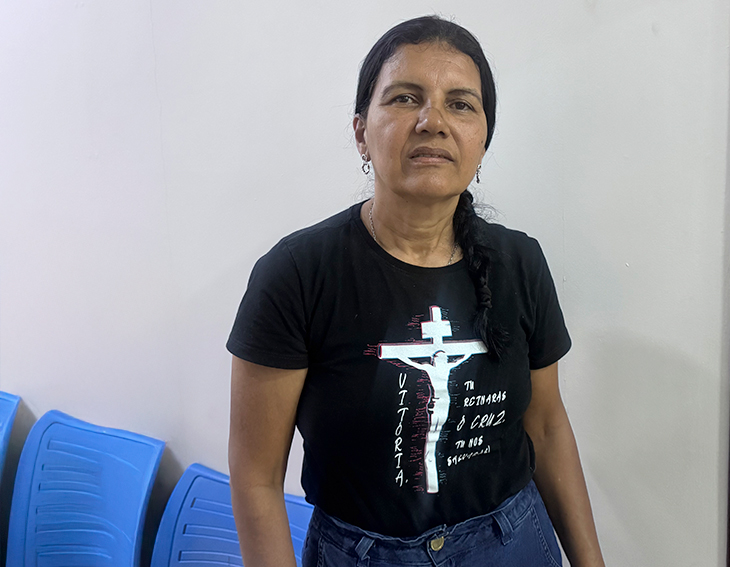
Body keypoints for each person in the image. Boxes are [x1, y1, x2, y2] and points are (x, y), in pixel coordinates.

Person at [226, 15, 606, 567]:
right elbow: (256, 478)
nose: (434, 121)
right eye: (405, 98)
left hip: (511, 543)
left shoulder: (520, 263)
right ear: (361, 131)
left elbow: (546, 427)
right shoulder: (296, 275)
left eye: (461, 104)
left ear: (482, 140)